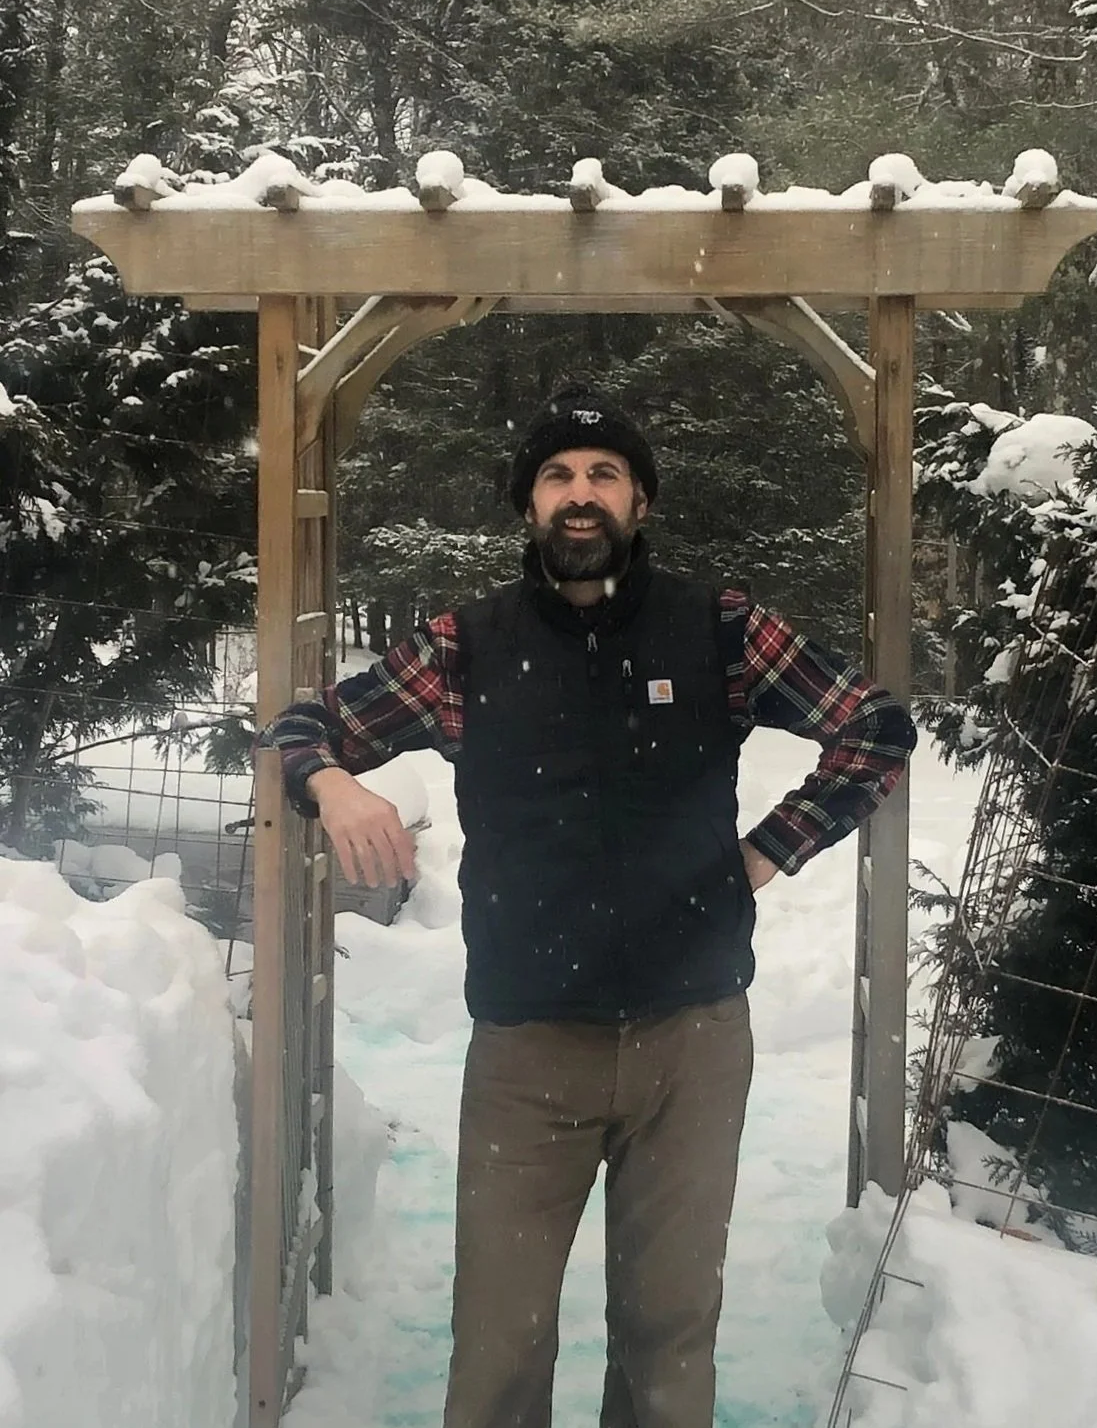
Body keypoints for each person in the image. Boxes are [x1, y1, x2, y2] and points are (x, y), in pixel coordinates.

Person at [259, 381, 917, 1428]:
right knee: (500, 1341)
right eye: (558, 476)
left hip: (690, 1041)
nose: (580, 494)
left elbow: (874, 729)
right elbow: (299, 727)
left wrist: (765, 851)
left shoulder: (719, 629)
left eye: (603, 474)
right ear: (529, 504)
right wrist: (333, 783)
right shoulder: (463, 647)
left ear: (639, 502)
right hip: (529, 1051)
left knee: (668, 1329)